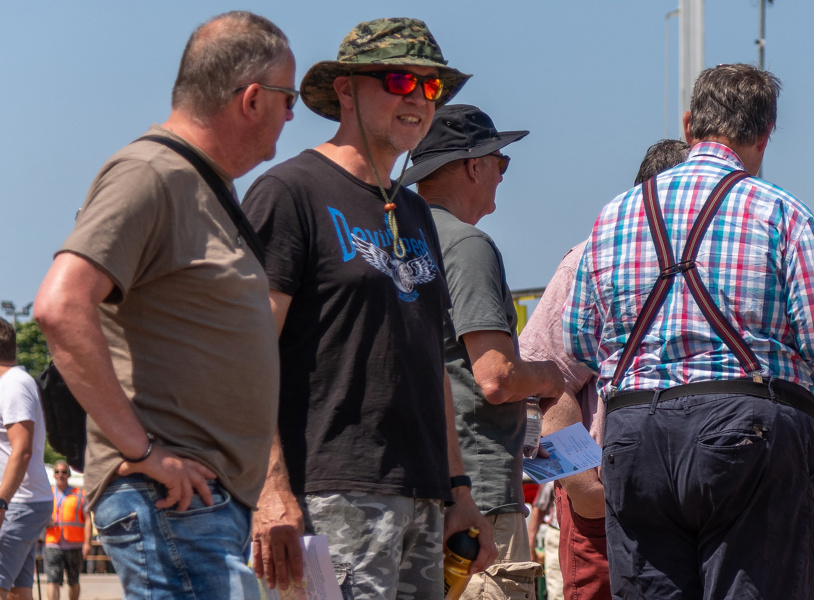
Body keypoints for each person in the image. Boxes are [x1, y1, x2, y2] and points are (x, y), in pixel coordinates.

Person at [564, 64, 814, 599]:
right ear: (765, 134)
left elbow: (580, 341)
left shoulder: (614, 216)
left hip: (634, 435)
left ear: (688, 125)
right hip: (747, 435)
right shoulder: (781, 212)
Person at [32, 11, 294, 599]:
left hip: (199, 500)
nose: (292, 114)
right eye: (288, 97)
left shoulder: (199, 183)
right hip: (173, 498)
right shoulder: (149, 172)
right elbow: (60, 305)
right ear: (252, 99)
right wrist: (144, 451)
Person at [241, 18, 494, 600]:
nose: (418, 98)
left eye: (431, 86)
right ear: (346, 90)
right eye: (400, 80)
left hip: (423, 495)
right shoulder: (291, 192)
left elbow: (431, 363)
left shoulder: (415, 212)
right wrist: (269, 488)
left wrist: (458, 491)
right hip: (330, 490)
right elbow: (247, 352)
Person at [398, 103, 573, 597]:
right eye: (501, 162)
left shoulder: (391, 239)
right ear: (474, 166)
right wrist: (551, 376)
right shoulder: (467, 245)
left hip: (410, 488)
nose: (501, 175)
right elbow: (496, 377)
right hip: (477, 498)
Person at [522, 138, 689, 600]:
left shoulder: (714, 265)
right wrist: (584, 488)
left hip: (691, 504)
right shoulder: (591, 261)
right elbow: (536, 380)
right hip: (609, 510)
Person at [0, 321, 50, 600]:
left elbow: (22, 450)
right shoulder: (13, 383)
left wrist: (1, 502)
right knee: (17, 593)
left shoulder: (13, 385)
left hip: (18, 503)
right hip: (21, 502)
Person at [43, 461, 83, 600]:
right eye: (57, 472)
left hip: (74, 543)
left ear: (68, 474)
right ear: (54, 475)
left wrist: (88, 543)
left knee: (73, 579)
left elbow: (87, 519)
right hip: (52, 542)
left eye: (64, 472)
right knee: (52, 579)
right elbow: (39, 514)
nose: (60, 475)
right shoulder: (47, 494)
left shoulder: (79, 493)